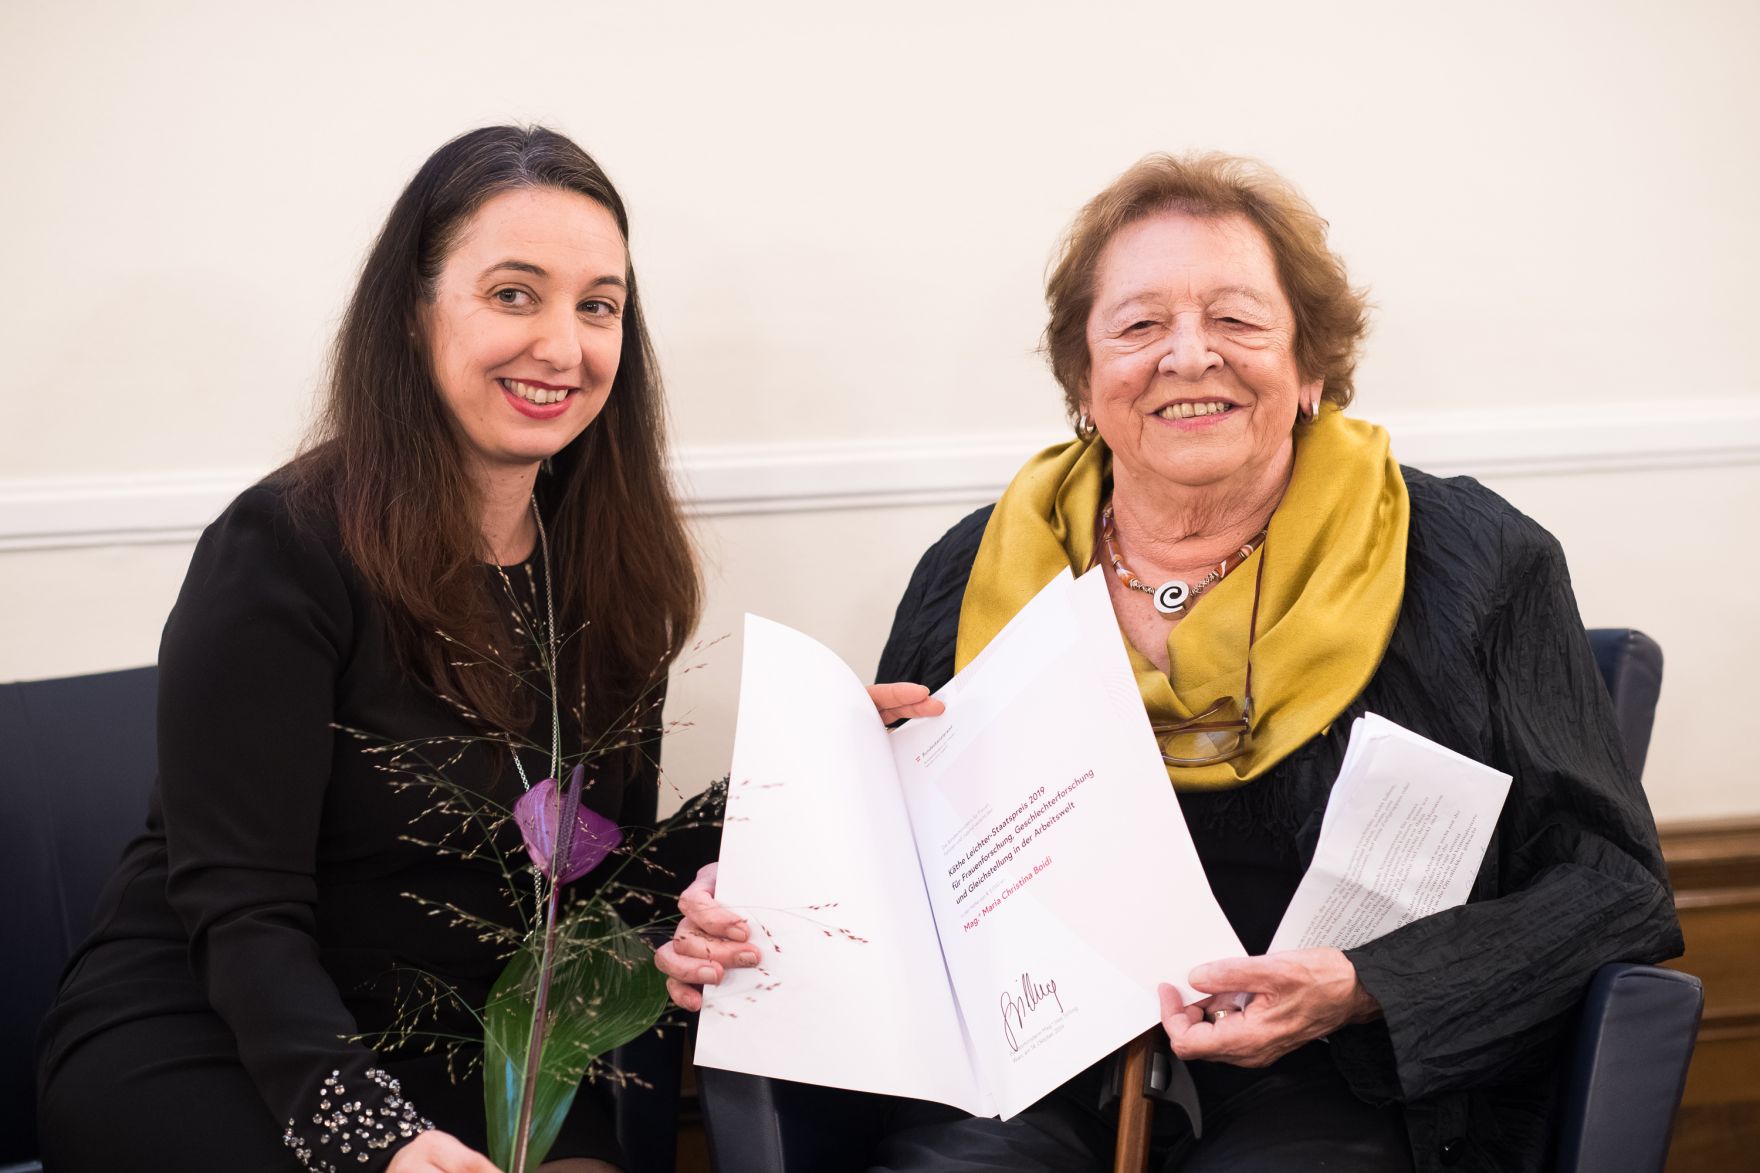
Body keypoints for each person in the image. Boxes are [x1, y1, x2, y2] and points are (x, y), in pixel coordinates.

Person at [657, 153, 1684, 1172]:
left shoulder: (1474, 562)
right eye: (1140, 326)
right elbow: (892, 879)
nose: (1189, 356)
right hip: (1029, 1063)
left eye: (1236, 319)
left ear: (1310, 366)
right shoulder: (970, 571)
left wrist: (1359, 986)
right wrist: (766, 897)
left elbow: (1613, 890)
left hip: (1345, 1072)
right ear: (1083, 380)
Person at [36, 126, 705, 1173]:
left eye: (597, 306)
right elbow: (242, 910)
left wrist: (812, 779)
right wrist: (375, 1136)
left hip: (467, 1045)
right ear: (411, 313)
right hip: (225, 1038)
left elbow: (592, 887)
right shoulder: (282, 547)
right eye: (514, 295)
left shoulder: (616, 569)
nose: (562, 347)